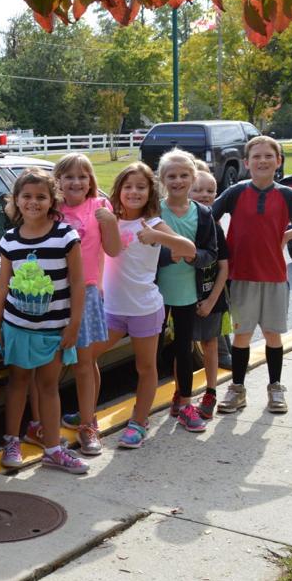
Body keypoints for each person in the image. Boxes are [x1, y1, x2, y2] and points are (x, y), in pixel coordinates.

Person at [212, 136, 292, 414]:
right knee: (242, 336)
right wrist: (220, 244)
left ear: (278, 161)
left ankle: (275, 387)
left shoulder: (285, 194)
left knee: (273, 334)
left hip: (274, 276)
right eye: (256, 156)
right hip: (241, 275)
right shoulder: (236, 192)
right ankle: (237, 389)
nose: (262, 161)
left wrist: (288, 235)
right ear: (246, 163)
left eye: (268, 156)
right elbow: (209, 217)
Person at [0, 170, 88, 474]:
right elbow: (3, 285)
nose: (33, 202)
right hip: (17, 327)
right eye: (27, 196)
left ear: (52, 200)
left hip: (54, 330)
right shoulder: (9, 240)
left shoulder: (65, 236)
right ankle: (12, 440)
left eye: (41, 197)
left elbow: (77, 283)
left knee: (49, 386)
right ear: (16, 201)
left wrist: (74, 325)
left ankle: (53, 449)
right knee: (18, 382)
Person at [99, 163, 195, 450]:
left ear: (150, 192)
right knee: (84, 357)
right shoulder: (108, 219)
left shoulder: (153, 223)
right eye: (128, 186)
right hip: (111, 309)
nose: (134, 192)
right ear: (118, 190)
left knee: (146, 366)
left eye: (141, 187)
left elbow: (188, 249)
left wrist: (159, 237)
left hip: (144, 308)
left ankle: (139, 422)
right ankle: (85, 410)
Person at [50, 153, 121, 456]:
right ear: (58, 182)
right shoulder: (52, 210)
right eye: (68, 177)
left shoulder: (100, 208)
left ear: (91, 180)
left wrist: (112, 223)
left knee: (83, 363)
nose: (76, 182)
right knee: (48, 367)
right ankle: (45, 423)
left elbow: (114, 250)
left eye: (82, 176)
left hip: (88, 291)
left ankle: (88, 423)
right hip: (54, 293)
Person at [156, 149, 218, 433]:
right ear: (162, 179)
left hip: (186, 293)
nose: (178, 180)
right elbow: (143, 250)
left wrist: (192, 256)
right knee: (152, 353)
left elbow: (210, 253)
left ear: (192, 178)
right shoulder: (154, 211)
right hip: (154, 294)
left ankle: (183, 402)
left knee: (183, 348)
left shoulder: (203, 214)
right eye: (171, 176)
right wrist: (172, 256)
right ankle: (143, 406)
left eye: (183, 175)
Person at [189, 169, 231, 420]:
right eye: (198, 190)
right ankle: (181, 395)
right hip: (183, 297)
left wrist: (211, 300)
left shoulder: (215, 228)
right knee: (182, 348)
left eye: (210, 191)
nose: (204, 195)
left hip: (211, 297)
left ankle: (210, 393)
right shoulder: (177, 223)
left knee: (210, 344)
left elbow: (224, 267)